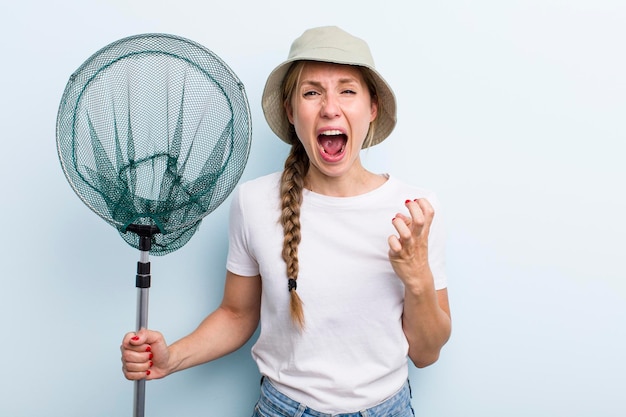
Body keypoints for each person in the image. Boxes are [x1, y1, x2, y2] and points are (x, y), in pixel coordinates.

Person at [121, 25, 451, 417]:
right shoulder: (254, 202)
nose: (330, 107)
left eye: (348, 90)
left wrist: (418, 280)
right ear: (291, 111)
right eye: (312, 92)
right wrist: (171, 357)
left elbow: (426, 354)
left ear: (372, 108)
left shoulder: (415, 209)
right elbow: (236, 314)